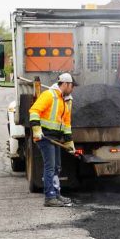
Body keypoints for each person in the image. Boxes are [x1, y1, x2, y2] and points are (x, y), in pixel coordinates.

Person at [29, 72, 77, 207]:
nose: (72, 89)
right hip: (45, 137)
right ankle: (49, 197)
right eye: (72, 86)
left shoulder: (64, 100)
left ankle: (56, 194)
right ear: (66, 84)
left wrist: (69, 142)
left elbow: (67, 124)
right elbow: (34, 111)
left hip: (55, 138)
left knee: (56, 167)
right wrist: (37, 130)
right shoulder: (49, 95)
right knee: (50, 167)